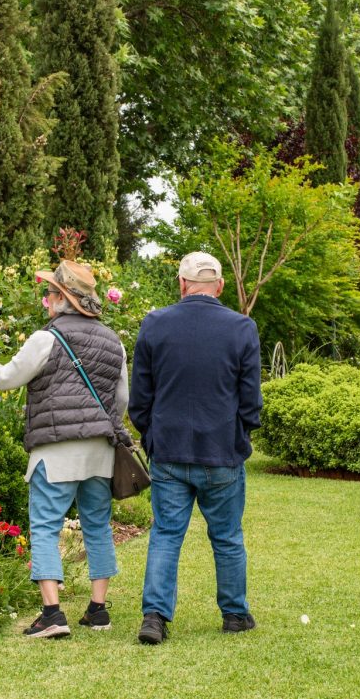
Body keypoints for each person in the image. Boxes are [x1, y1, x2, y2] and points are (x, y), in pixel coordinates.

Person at [0, 261, 131, 639]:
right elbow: (121, 400)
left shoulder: (47, 338)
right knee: (98, 527)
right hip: (100, 452)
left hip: (55, 451)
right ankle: (98, 610)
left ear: (62, 299)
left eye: (50, 294)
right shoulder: (113, 341)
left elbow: (5, 379)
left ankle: (52, 614)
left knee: (44, 527)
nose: (46, 300)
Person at [128, 251, 262, 645]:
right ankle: (235, 615)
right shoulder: (241, 327)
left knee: (166, 534)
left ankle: (155, 616)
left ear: (182, 283)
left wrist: (151, 435)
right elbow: (250, 398)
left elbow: (141, 397)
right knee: (227, 537)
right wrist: (242, 435)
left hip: (169, 448)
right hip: (221, 449)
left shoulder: (155, 324)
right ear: (219, 286)